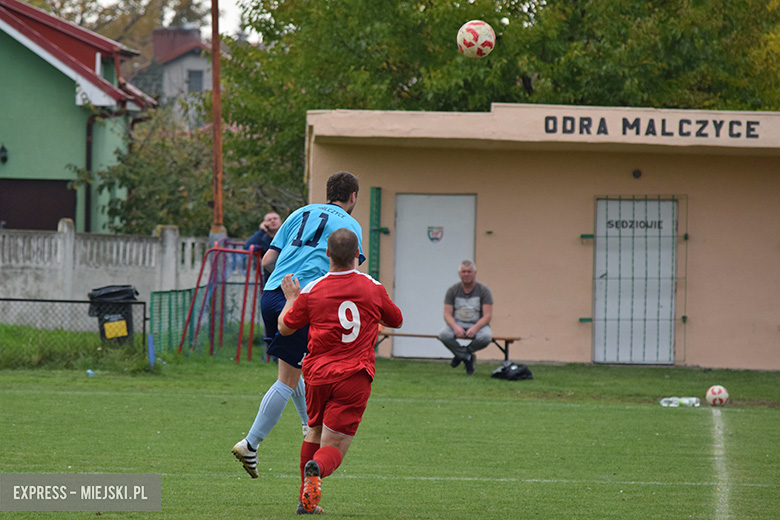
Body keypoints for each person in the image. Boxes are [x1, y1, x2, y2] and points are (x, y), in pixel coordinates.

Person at [232, 171, 365, 479]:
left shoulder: (299, 213)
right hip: (302, 300)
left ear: (328, 191)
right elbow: (348, 271)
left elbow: (267, 261)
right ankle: (251, 443)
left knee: (296, 366)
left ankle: (308, 423)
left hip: (272, 294)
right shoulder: (351, 226)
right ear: (353, 197)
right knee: (287, 379)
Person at [277, 228, 403, 515]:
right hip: (353, 376)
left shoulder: (312, 290)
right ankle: (317, 470)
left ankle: (306, 501)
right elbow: (396, 319)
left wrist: (291, 298)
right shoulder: (372, 286)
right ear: (358, 255)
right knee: (334, 447)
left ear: (327, 254)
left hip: (317, 374)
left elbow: (285, 327)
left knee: (314, 431)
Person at [437, 260, 493, 375]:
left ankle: (462, 355)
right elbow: (447, 314)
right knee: (443, 335)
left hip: (477, 324)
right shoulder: (452, 290)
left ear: (475, 273)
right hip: (458, 323)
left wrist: (475, 328)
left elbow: (487, 315)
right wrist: (455, 327)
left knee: (486, 337)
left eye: (469, 271)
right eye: (463, 272)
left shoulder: (484, 290)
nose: (466, 274)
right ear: (459, 273)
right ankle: (467, 357)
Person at [245, 211, 282, 281]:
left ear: (281, 222)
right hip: (270, 279)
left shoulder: (286, 237)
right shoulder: (264, 240)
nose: (272, 221)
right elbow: (247, 246)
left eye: (275, 218)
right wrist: (262, 230)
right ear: (265, 224)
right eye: (269, 220)